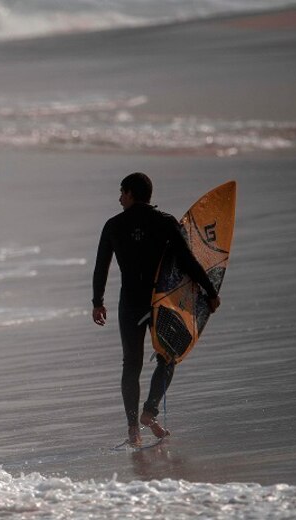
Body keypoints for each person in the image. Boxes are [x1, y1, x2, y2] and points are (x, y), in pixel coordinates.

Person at [92, 172, 220, 446]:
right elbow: (187, 262)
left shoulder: (113, 225)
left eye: (121, 193)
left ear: (130, 193)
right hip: (162, 302)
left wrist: (97, 302)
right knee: (169, 356)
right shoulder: (164, 222)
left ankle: (132, 430)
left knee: (132, 364)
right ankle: (149, 412)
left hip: (130, 303)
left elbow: (101, 265)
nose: (119, 198)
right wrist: (209, 291)